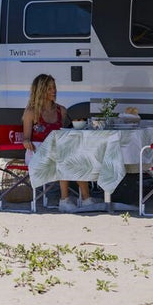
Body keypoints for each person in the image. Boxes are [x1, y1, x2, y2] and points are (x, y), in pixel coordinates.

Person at [22, 74, 92, 212]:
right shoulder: (31, 112)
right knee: (65, 156)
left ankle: (83, 199)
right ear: (40, 91)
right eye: (49, 88)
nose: (54, 91)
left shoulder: (62, 111)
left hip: (58, 151)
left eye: (54, 87)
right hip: (38, 152)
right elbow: (26, 138)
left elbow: (65, 133)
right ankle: (74, 199)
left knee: (72, 155)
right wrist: (26, 141)